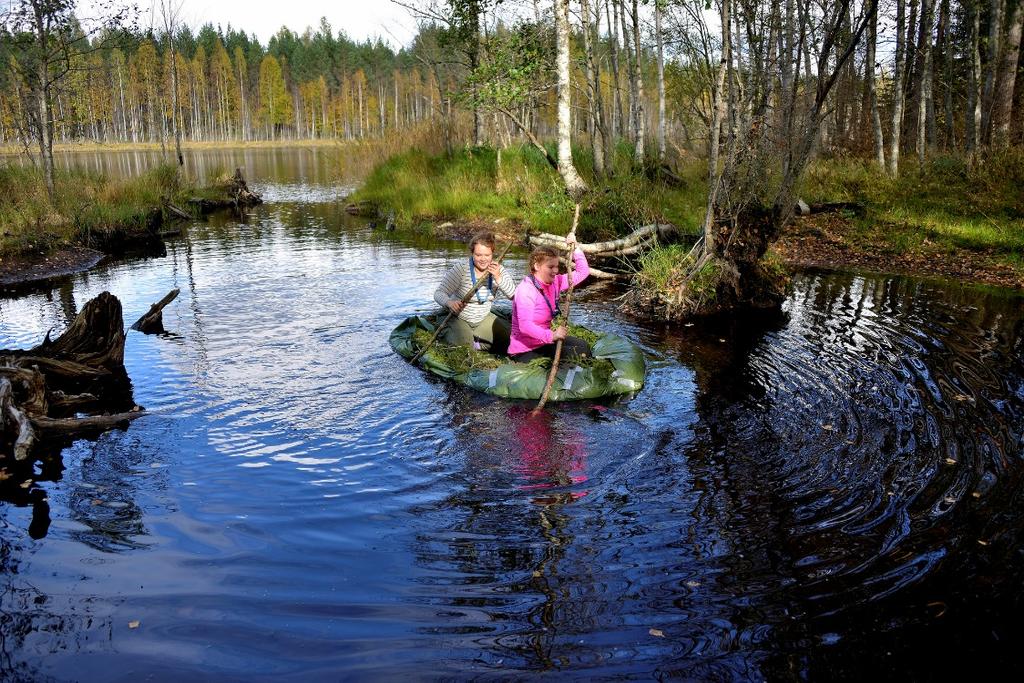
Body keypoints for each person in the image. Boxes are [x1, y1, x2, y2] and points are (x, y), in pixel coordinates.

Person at [508, 234, 590, 362]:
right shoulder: (526, 290)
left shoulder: (556, 282)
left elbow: (582, 272)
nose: (556, 271)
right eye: (551, 267)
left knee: (583, 346)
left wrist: (575, 248)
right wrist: (552, 335)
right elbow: (525, 326)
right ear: (536, 266)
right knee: (578, 353)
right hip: (526, 349)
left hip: (543, 342)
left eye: (557, 266)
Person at [433, 231, 516, 354]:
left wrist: (498, 278)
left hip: (483, 319)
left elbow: (514, 296)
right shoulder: (461, 269)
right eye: (478, 255)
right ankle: (468, 341)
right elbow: (439, 293)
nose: (483, 259)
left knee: (511, 341)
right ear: (472, 253)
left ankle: (477, 342)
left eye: (487, 255)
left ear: (493, 254)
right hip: (460, 319)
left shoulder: (498, 270)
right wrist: (449, 303)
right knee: (466, 352)